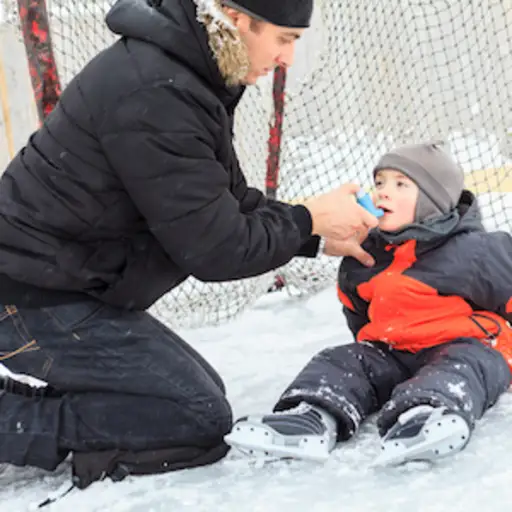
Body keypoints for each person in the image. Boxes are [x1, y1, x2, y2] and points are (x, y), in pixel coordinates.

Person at [0, 0, 380, 489]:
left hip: (65, 279)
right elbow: (216, 249)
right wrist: (308, 218)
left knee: (193, 399)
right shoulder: (157, 90)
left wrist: (316, 237)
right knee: (193, 415)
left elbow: (229, 200)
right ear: (236, 17)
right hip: (28, 294)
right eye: (284, 38)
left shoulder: (190, 72)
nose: (287, 58)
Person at [225, 141, 512, 466]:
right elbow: (357, 311)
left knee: (464, 364)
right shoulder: (366, 253)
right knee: (341, 361)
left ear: (433, 201)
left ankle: (428, 414)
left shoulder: (474, 251)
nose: (382, 193)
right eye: (379, 183)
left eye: (400, 184)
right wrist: (366, 356)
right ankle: (311, 415)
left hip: (465, 343)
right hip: (391, 350)